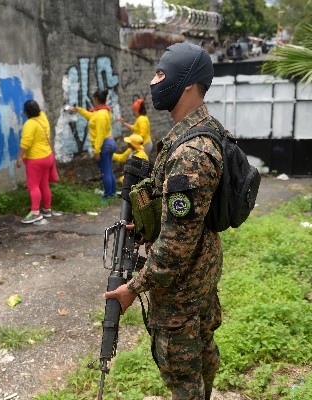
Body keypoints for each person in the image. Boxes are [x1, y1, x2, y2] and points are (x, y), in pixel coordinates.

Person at [103, 42, 223, 400]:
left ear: (187, 83)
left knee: (184, 377)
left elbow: (173, 250)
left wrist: (132, 288)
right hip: (199, 273)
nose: (154, 82)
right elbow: (183, 221)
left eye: (161, 74)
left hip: (182, 287)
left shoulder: (191, 154)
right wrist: (148, 223)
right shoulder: (194, 133)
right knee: (202, 360)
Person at [16, 100, 55, 224]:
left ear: (26, 112)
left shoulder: (30, 124)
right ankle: (47, 209)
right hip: (47, 157)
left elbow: (25, 142)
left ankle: (35, 213)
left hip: (36, 159)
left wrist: (19, 157)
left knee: (33, 186)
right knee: (44, 184)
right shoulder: (43, 117)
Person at [72, 89, 116, 199]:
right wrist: (79, 110)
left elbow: (100, 135)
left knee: (106, 171)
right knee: (108, 169)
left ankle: (107, 196)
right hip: (109, 142)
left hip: (104, 144)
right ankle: (112, 193)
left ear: (96, 99)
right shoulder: (102, 111)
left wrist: (96, 151)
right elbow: (90, 116)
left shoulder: (101, 115)